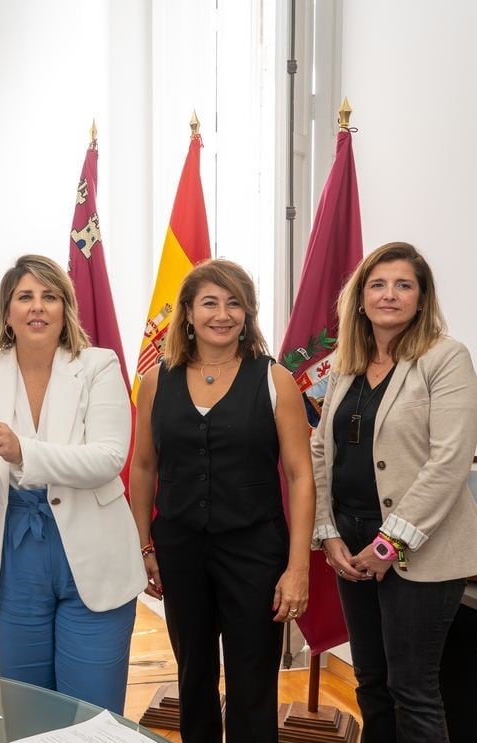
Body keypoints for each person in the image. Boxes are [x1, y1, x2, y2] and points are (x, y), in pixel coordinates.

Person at [312, 241, 477, 743]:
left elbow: (449, 461)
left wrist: (389, 544)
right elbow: (320, 450)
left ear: (421, 297)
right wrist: (327, 533)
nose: (389, 294)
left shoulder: (445, 358)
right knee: (370, 681)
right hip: (349, 540)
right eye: (377, 284)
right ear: (361, 297)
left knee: (412, 688)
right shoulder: (347, 363)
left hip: (419, 549)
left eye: (403, 285)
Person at [0, 254, 144, 714]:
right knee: (26, 709)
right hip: (11, 558)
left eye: (50, 296)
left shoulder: (99, 365)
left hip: (94, 557)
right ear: (8, 312)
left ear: (65, 309)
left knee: (92, 714)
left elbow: (108, 458)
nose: (38, 307)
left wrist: (21, 450)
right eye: (25, 297)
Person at [130, 259, 315, 743]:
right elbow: (144, 466)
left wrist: (298, 568)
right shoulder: (157, 381)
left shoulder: (276, 381)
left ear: (248, 313)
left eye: (235, 303)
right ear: (187, 313)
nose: (223, 313)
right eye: (210, 302)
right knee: (193, 679)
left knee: (253, 683)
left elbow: (299, 475)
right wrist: (144, 546)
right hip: (180, 549)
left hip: (256, 551)